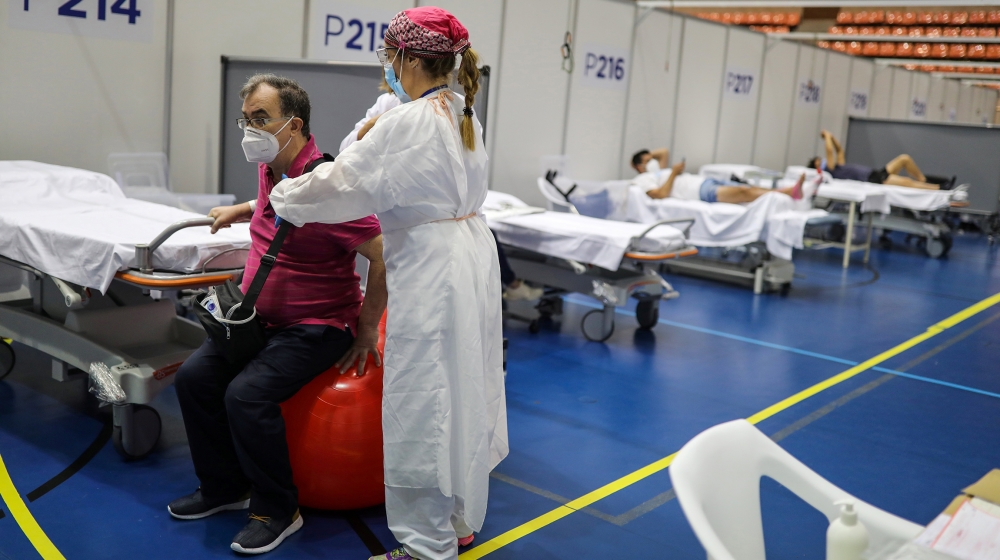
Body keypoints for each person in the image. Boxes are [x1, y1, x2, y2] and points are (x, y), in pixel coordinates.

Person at [270, 8, 507, 560]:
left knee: (422, 401)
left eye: (388, 58)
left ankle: (425, 547)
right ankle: (456, 518)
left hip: (431, 271)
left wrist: (282, 194)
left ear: (402, 57)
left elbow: (342, 183)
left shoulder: (408, 123)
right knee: (463, 388)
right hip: (469, 262)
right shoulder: (459, 109)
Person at [167, 74, 388, 555]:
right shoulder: (273, 165)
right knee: (193, 379)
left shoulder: (330, 187)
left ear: (295, 125)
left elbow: (383, 253)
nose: (250, 130)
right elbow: (275, 206)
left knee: (246, 396)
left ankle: (277, 509)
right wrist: (242, 209)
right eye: (246, 120)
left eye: (261, 120)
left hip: (317, 325)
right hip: (257, 320)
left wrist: (367, 329)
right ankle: (225, 487)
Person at [341, 87, 543, 302]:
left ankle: (513, 284)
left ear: (412, 61)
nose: (388, 67)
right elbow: (348, 151)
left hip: (438, 234)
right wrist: (375, 123)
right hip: (414, 233)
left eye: (389, 57)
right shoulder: (390, 105)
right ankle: (513, 285)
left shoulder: (450, 110)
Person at [632, 156, 806, 203]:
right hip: (700, 192)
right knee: (744, 192)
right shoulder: (643, 179)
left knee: (749, 187)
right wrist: (673, 173)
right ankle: (786, 193)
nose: (653, 161)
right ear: (638, 166)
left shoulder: (660, 170)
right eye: (647, 161)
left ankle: (789, 191)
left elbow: (662, 152)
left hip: (704, 181)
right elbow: (661, 194)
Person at [809, 130, 947, 190]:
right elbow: (829, 152)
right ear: (817, 168)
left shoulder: (839, 167)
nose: (822, 161)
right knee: (907, 182)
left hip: (874, 173)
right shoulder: (830, 171)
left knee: (904, 159)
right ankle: (938, 188)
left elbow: (838, 151)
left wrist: (832, 137)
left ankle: (924, 181)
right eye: (818, 162)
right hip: (872, 180)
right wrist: (827, 136)